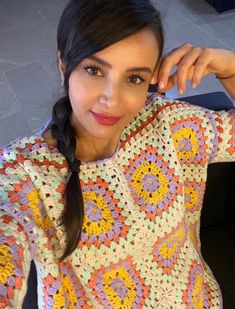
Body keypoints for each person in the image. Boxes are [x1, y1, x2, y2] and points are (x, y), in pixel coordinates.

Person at [0, 0, 234, 308]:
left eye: (134, 78)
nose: (112, 100)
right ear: (63, 66)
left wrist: (231, 69)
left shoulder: (170, 124)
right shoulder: (23, 175)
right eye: (94, 70)